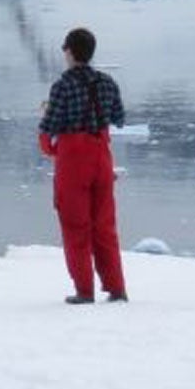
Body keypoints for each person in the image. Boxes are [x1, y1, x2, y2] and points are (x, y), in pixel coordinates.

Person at [39, 26, 128, 305]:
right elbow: (119, 117)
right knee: (105, 226)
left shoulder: (63, 86)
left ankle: (84, 290)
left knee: (76, 226)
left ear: (69, 51)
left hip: (74, 160)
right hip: (101, 156)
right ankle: (116, 288)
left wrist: (51, 146)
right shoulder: (107, 82)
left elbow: (48, 130)